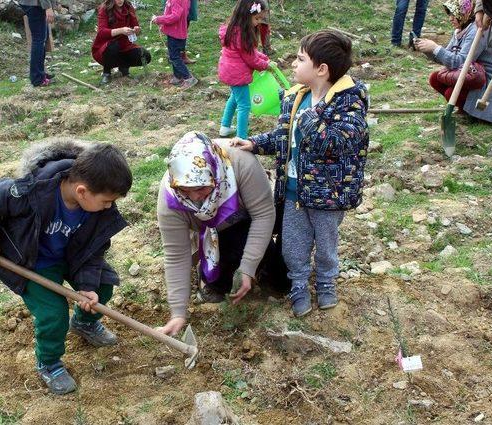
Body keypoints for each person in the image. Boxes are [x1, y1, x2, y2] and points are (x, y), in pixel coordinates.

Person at [0, 139, 132, 395]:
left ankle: (85, 323)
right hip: (31, 263)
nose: (110, 206)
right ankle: (48, 363)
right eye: (106, 201)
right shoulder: (31, 191)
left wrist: (88, 288)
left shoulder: (96, 208)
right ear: (82, 191)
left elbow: (92, 250)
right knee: (53, 314)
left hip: (70, 257)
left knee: (102, 286)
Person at [232, 30, 369, 317]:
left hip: (329, 195)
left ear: (321, 69)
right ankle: (298, 285)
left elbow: (335, 142)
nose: (293, 64)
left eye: (300, 58)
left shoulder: (348, 102)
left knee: (326, 243)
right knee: (294, 244)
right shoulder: (296, 98)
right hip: (293, 191)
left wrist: (308, 120)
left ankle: (326, 282)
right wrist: (256, 143)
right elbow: (285, 136)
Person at [155, 131, 290, 336]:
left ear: (215, 174)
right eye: (185, 190)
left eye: (201, 188)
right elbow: (176, 256)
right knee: (221, 286)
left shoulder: (240, 163)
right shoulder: (170, 199)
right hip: (209, 233)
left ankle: (258, 264)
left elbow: (263, 215)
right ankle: (208, 275)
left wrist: (248, 267)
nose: (194, 197)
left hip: (247, 219)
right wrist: (177, 313)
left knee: (281, 282)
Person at [415, 0, 492, 123]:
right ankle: (465, 109)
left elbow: (460, 62)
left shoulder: (476, 30)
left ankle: (475, 113)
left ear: (464, 13)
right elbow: (447, 58)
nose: (450, 19)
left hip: (484, 80)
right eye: (449, 15)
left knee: (450, 92)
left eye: (454, 14)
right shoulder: (460, 29)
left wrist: (436, 48)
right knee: (435, 79)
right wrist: (428, 49)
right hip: (470, 74)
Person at [218, 0, 275, 139]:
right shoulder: (242, 35)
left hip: (229, 70)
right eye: (256, 18)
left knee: (234, 98)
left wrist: (265, 58)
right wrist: (266, 65)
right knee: (244, 106)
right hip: (237, 74)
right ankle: (241, 137)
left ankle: (225, 127)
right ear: (245, 15)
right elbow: (251, 59)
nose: (258, 23)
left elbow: (252, 52)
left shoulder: (234, 30)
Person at [91, 0, 152, 85]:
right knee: (113, 46)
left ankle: (124, 69)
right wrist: (121, 30)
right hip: (106, 44)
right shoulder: (104, 8)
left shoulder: (128, 7)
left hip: (125, 44)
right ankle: (107, 72)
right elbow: (102, 32)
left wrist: (136, 30)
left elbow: (136, 28)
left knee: (145, 56)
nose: (120, 0)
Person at [151, 0, 198, 89]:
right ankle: (177, 77)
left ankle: (188, 78)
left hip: (175, 34)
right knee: (176, 55)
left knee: (174, 57)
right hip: (179, 32)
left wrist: (159, 19)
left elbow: (175, 16)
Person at [19, 0, 55, 87]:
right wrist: (48, 7)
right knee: (38, 40)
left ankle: (40, 73)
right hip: (35, 5)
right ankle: (37, 78)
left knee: (41, 38)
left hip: (35, 4)